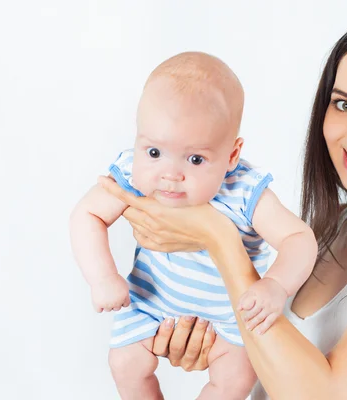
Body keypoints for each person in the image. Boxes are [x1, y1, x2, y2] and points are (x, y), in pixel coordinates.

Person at [98, 10, 347, 400]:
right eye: (344, 104)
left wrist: (219, 237)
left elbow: (327, 395)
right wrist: (211, 341)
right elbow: (277, 364)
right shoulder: (327, 232)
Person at [69, 52, 317, 399]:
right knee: (125, 364)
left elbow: (299, 238)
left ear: (231, 156)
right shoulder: (130, 174)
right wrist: (103, 277)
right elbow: (87, 215)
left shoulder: (244, 190)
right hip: (150, 305)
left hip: (230, 321)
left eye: (196, 159)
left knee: (235, 378)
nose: (170, 175)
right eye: (154, 153)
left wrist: (275, 285)